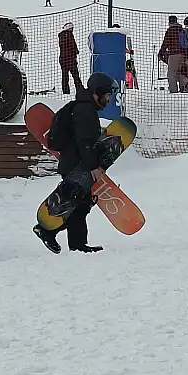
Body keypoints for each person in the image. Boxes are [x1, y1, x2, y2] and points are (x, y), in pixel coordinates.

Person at [32, 72, 117, 254]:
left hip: (75, 164)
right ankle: (47, 230)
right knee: (75, 206)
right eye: (107, 95)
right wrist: (93, 166)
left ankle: (77, 244)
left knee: (80, 206)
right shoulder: (85, 111)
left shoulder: (80, 107)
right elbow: (84, 142)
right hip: (77, 166)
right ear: (97, 92)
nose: (108, 99)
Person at [157, 16, 188, 92]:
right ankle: (185, 84)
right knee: (177, 72)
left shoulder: (170, 30)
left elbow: (165, 43)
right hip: (182, 55)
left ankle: (174, 91)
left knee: (171, 74)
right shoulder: (181, 29)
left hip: (174, 54)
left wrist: (161, 53)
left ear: (169, 22)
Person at [58, 22, 83, 94]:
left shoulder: (61, 36)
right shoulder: (69, 35)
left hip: (63, 59)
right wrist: (76, 51)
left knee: (65, 77)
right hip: (71, 59)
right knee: (76, 76)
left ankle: (66, 92)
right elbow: (72, 45)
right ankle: (80, 91)